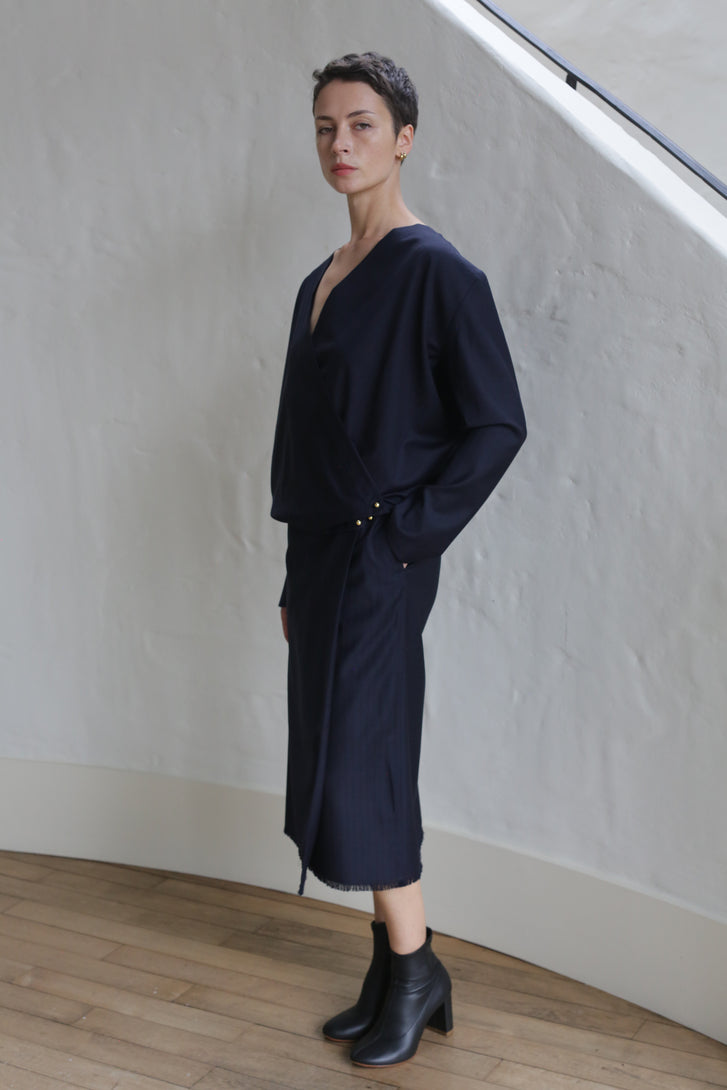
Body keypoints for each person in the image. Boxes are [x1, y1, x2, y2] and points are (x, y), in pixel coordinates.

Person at [270, 52, 526, 1069]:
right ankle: (393, 965)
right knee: (335, 749)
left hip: (383, 558)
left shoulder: (436, 273)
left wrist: (405, 535)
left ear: (404, 138)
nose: (341, 144)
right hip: (321, 558)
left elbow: (496, 423)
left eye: (363, 124)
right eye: (326, 127)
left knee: (364, 757)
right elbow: (302, 438)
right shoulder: (320, 281)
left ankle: (416, 968)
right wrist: (293, 574)